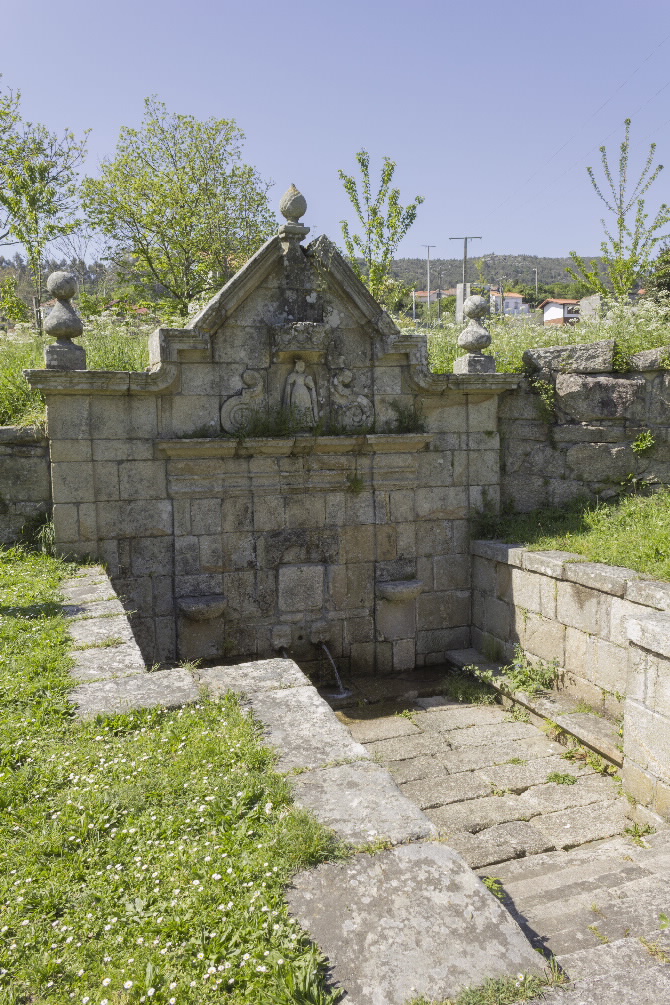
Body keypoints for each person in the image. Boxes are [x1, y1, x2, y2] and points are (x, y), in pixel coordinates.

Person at [283, 359, 318, 425]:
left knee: (305, 405)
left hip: (304, 391)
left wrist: (310, 381)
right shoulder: (294, 374)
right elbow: (289, 381)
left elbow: (310, 384)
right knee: (296, 405)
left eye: (302, 365)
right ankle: (296, 422)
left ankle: (306, 422)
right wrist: (290, 378)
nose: (301, 366)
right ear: (297, 366)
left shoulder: (305, 375)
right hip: (296, 391)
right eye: (300, 365)